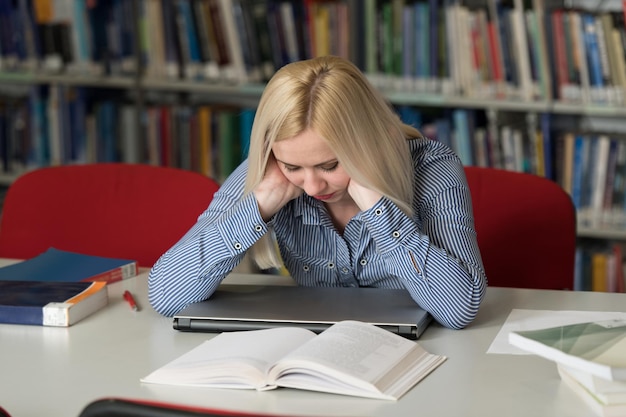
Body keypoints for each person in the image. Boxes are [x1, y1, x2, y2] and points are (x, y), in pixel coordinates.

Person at [148, 56, 487, 329]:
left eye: (329, 165)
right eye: (293, 168)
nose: (311, 187)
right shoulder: (270, 170)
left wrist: (378, 211)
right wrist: (259, 205)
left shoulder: (433, 166)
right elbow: (166, 294)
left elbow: (460, 308)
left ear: (367, 143)